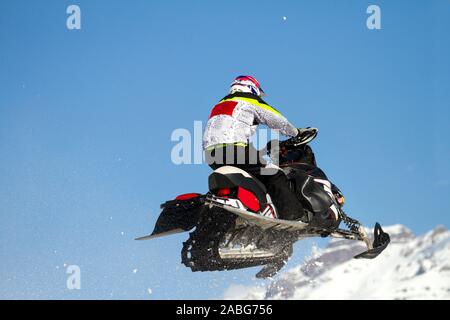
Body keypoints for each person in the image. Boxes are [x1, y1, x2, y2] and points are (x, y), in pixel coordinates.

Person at [203, 75, 309, 221]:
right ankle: (293, 216)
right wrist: (296, 133)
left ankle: (257, 207)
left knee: (253, 176)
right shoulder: (249, 100)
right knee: (274, 174)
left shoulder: (219, 104)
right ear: (252, 88)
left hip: (211, 155)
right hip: (234, 150)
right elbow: (277, 120)